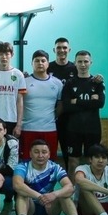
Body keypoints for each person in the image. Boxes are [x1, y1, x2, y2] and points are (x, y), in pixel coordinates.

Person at [12, 139, 88, 215]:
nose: (40, 155)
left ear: (49, 154)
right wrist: (39, 196)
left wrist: (54, 195)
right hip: (29, 209)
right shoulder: (22, 166)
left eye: (44, 152)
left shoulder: (55, 167)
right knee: (22, 193)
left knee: (64, 194)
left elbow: (70, 187)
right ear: (30, 154)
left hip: (49, 210)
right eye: (36, 152)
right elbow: (17, 185)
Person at [62, 50, 105, 175]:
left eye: (86, 61)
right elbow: (66, 106)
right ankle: (71, 187)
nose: (83, 64)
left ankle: (89, 187)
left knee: (92, 161)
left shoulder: (97, 83)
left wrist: (76, 101)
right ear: (75, 63)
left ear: (91, 63)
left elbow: (100, 103)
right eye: (79, 61)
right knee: (72, 161)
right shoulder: (70, 83)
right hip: (73, 129)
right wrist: (90, 103)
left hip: (93, 129)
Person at [21, 50, 63, 161]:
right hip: (28, 129)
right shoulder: (24, 82)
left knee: (49, 161)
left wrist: (52, 117)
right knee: (27, 161)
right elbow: (18, 104)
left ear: (48, 63)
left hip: (50, 129)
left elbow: (60, 104)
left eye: (43, 61)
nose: (40, 63)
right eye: (37, 61)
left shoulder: (57, 83)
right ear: (32, 63)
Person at [47, 37, 76, 167]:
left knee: (68, 154)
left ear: (69, 50)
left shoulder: (75, 68)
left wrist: (98, 79)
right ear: (54, 50)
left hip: (69, 119)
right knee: (47, 152)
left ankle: (69, 179)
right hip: (50, 117)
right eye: (59, 48)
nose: (62, 50)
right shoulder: (48, 67)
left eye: (64, 48)